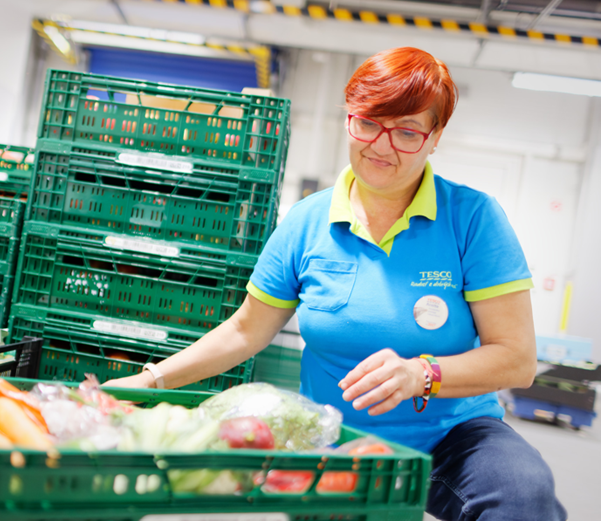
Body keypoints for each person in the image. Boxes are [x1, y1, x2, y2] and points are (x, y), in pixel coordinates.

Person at [106, 47, 566, 521]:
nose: (381, 146)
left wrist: (422, 374)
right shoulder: (307, 223)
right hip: (333, 436)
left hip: (453, 434)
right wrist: (148, 382)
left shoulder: (473, 219)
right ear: (349, 118)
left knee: (523, 493)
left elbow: (516, 359)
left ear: (435, 137)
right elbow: (246, 331)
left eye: (407, 131)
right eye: (367, 123)